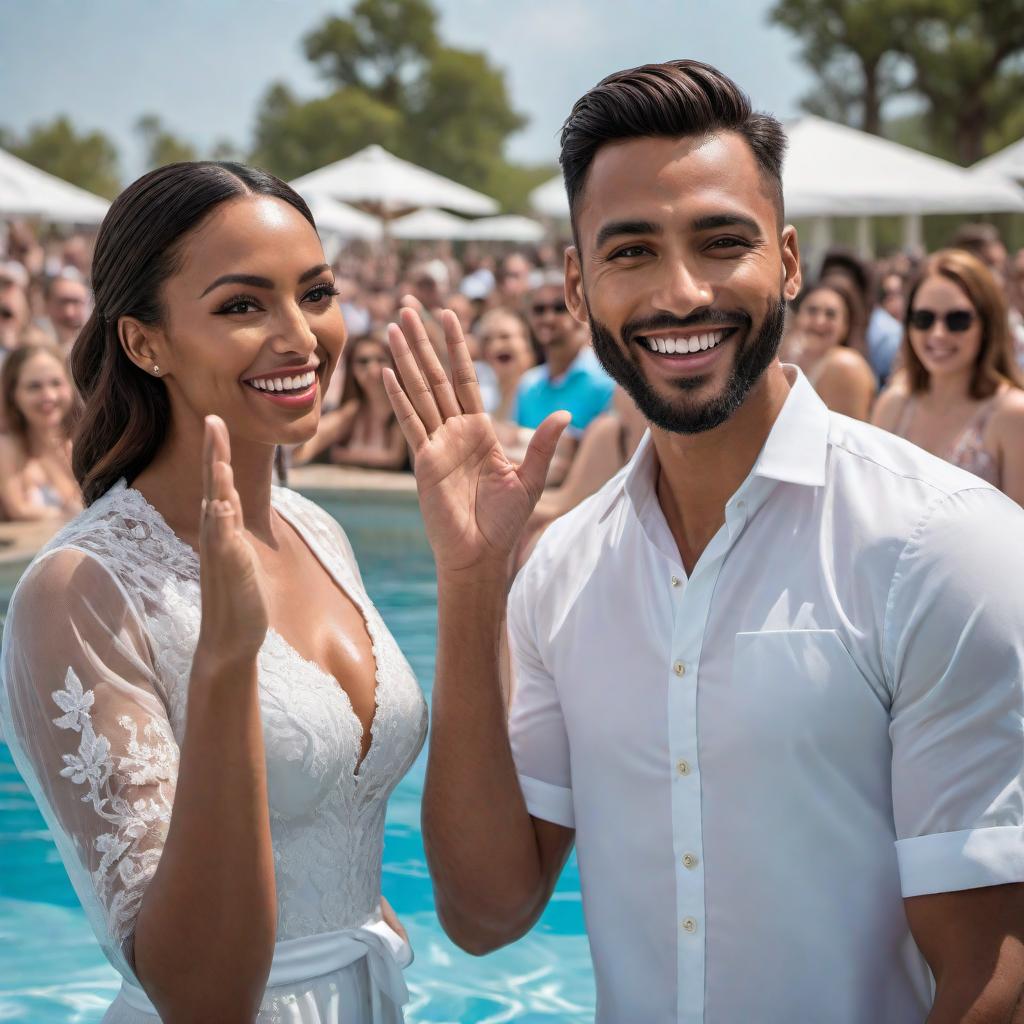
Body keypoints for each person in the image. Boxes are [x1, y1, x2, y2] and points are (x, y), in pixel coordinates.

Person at [383, 60, 1024, 1024]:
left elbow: (991, 976)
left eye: (722, 242)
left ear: (791, 261)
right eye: (631, 251)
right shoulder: (560, 570)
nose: (681, 295)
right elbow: (485, 914)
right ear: (577, 283)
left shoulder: (942, 545)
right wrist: (472, 582)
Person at [0, 162, 426, 1022]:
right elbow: (197, 994)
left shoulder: (320, 532)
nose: (301, 336)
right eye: (242, 306)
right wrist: (226, 663)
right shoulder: (79, 591)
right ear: (143, 342)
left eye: (315, 293)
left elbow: (325, 820)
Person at [872, 248, 1024, 504]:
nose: (938, 334)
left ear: (987, 324)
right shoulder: (894, 405)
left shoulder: (1012, 415)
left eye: (957, 320)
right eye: (923, 319)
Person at [291, 332, 408, 471]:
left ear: (392, 363)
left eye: (380, 359)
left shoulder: (404, 409)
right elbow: (305, 447)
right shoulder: (353, 411)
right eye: (363, 361)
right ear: (352, 368)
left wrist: (343, 456)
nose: (372, 369)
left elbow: (394, 459)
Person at [516, 270, 615, 434]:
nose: (548, 318)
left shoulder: (608, 381)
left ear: (582, 312)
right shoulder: (528, 385)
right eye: (539, 309)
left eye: (560, 307)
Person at [0, 344, 81, 520]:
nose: (49, 396)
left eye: (56, 383)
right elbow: (19, 512)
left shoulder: (82, 444)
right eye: (34, 387)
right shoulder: (7, 447)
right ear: (13, 394)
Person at [787, 277, 876, 419]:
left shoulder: (846, 365)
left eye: (830, 314)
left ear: (845, 326)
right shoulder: (788, 353)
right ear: (798, 317)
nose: (819, 321)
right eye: (812, 310)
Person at [476, 307, 536, 421]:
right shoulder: (483, 397)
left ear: (526, 343)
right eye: (487, 340)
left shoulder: (541, 387)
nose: (494, 346)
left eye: (505, 337)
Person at [39, 272, 90, 356]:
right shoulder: (35, 347)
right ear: (47, 304)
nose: (69, 313)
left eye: (76, 302)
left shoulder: (103, 349)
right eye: (62, 302)